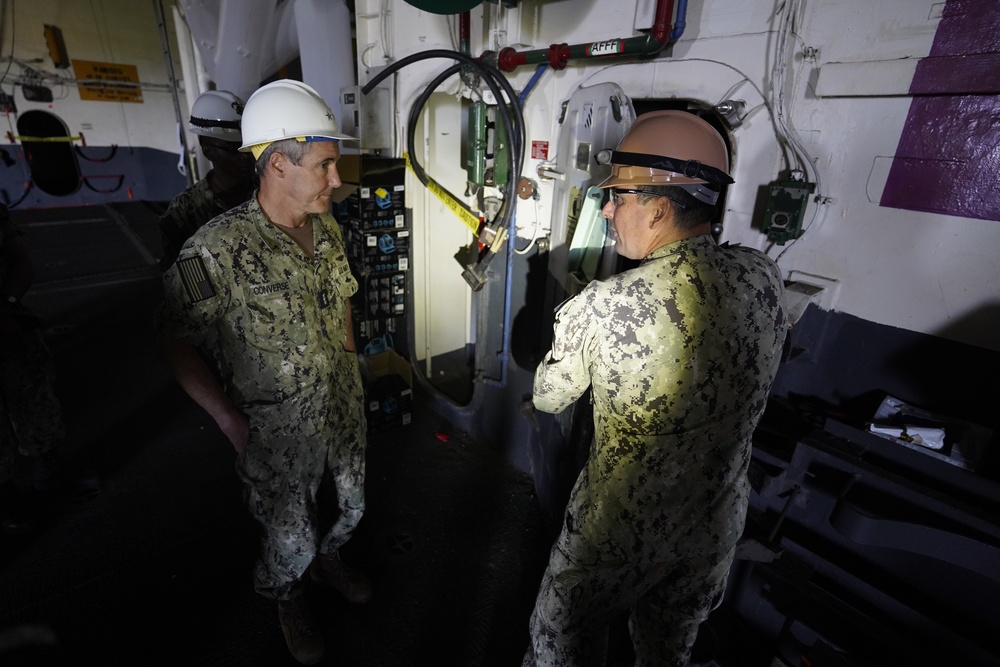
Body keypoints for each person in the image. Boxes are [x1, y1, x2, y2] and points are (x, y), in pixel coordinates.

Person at [522, 110, 788, 667]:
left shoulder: (604, 305)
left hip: (617, 533)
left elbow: (549, 396)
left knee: (558, 638)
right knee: (667, 652)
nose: (609, 209)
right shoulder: (761, 276)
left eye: (618, 198)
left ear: (661, 208)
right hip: (709, 528)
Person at [155, 79, 370, 666]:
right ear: (278, 163)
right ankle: (289, 597)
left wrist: (351, 364)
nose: (336, 179)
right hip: (275, 423)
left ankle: (332, 560)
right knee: (287, 531)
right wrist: (227, 420)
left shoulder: (324, 229)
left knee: (351, 497)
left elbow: (344, 296)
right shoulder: (214, 251)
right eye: (326, 165)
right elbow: (175, 339)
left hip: (340, 398)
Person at [0, 204, 67, 533]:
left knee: (35, 401)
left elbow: (21, 263)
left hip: (8, 324)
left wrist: (8, 305)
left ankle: (49, 471)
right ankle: (8, 497)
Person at [157, 89, 256, 271]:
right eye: (234, 149)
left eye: (250, 146)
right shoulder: (184, 211)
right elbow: (179, 279)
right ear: (208, 151)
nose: (247, 156)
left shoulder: (271, 190)